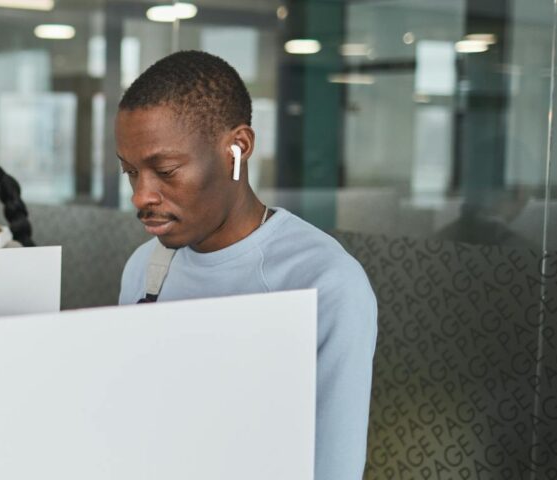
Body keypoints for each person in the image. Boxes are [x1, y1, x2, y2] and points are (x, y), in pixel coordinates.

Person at [115, 50, 377, 479]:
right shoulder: (146, 268)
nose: (141, 196)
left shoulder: (324, 283)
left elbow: (332, 468)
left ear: (238, 147)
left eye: (165, 170)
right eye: (130, 172)